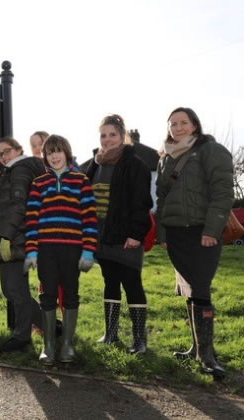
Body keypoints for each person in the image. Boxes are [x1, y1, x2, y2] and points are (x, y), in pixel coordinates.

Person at [156, 107, 233, 379]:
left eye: (183, 122)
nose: (178, 128)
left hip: (203, 232)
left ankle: (207, 355)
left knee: (201, 288)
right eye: (173, 124)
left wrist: (212, 229)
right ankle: (196, 348)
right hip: (176, 234)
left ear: (194, 124)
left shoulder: (211, 150)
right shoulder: (165, 158)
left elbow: (223, 193)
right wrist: (162, 235)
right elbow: (162, 199)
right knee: (190, 289)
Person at [24, 135, 97, 364]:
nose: (54, 156)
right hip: (46, 250)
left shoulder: (81, 181)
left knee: (71, 294)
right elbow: (32, 219)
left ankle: (67, 345)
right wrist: (31, 251)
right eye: (50, 152)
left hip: (73, 250)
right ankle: (48, 346)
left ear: (66, 152)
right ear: (45, 157)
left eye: (58, 151)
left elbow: (90, 218)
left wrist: (88, 251)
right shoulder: (39, 183)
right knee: (47, 295)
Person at [85, 114, 153, 354]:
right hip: (102, 236)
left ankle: (139, 339)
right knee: (109, 282)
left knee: (132, 283)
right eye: (103, 135)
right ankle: (111, 334)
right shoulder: (95, 163)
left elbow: (141, 202)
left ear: (122, 135)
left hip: (126, 237)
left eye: (112, 134)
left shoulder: (135, 164)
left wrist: (136, 234)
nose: (107, 140)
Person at [0, 137, 46, 353]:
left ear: (19, 150)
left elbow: (18, 205)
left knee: (15, 290)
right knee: (11, 290)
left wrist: (6, 236)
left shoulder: (20, 170)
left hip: (16, 238)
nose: (3, 156)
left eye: (7, 151)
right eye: (0, 153)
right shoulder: (11, 171)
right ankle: (52, 326)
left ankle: (22, 337)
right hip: (15, 236)